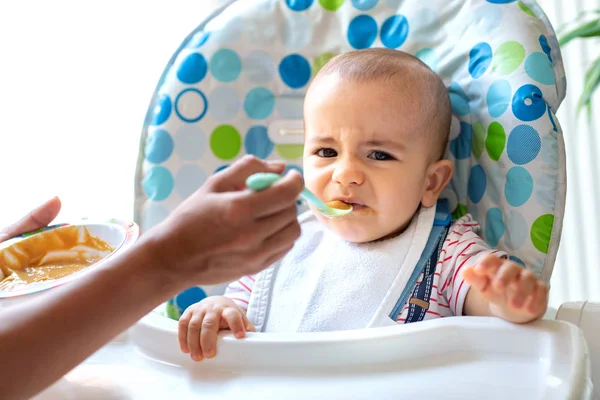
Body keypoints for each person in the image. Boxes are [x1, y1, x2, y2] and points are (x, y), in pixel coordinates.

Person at [178, 49, 550, 361]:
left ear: (431, 181)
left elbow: (493, 308)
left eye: (379, 154)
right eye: (326, 151)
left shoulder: (448, 253)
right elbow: (239, 309)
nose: (346, 174)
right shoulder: (278, 241)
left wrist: (509, 297)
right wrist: (216, 311)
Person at [0, 155, 304, 400]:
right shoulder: (290, 254)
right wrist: (173, 268)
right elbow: (244, 302)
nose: (348, 174)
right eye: (326, 152)